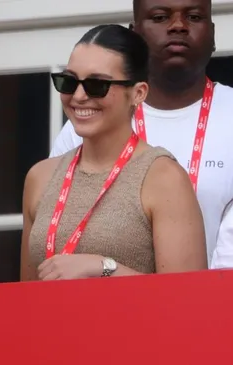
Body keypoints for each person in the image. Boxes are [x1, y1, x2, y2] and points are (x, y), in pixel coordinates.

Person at [50, 0, 233, 269]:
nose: (178, 26)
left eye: (194, 17)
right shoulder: (86, 126)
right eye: (160, 17)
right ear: (134, 35)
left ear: (213, 33)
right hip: (104, 306)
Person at [20, 24, 207, 281]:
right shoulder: (40, 177)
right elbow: (24, 296)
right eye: (69, 81)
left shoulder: (162, 177)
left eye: (97, 85)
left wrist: (105, 267)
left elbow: (189, 299)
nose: (79, 96)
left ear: (138, 93)